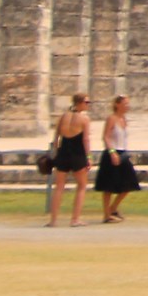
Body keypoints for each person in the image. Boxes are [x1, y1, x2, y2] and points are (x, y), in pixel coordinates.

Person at [46, 93, 93, 227]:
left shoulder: (63, 117)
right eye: (86, 102)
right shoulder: (84, 119)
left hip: (63, 153)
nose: (88, 105)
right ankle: (75, 219)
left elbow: (56, 138)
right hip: (77, 154)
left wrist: (56, 154)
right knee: (82, 186)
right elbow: (85, 139)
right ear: (79, 103)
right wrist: (89, 157)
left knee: (59, 187)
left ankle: (53, 220)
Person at [95, 94, 141, 223]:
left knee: (130, 183)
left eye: (128, 104)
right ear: (117, 104)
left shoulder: (124, 119)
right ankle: (106, 214)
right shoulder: (111, 118)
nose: (127, 106)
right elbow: (106, 136)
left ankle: (113, 208)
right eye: (125, 104)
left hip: (123, 153)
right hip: (112, 152)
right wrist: (112, 152)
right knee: (108, 186)